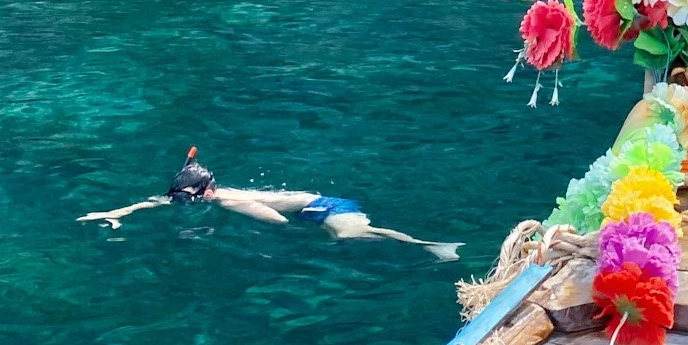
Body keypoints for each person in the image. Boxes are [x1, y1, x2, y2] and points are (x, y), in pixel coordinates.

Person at [78, 148, 460, 254]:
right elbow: (158, 200)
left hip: (326, 208)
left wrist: (285, 232)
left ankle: (428, 246)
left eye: (185, 201)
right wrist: (118, 212)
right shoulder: (210, 194)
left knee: (347, 237)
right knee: (345, 238)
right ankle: (423, 245)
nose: (180, 205)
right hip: (315, 205)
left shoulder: (229, 204)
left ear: (205, 194)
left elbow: (277, 222)